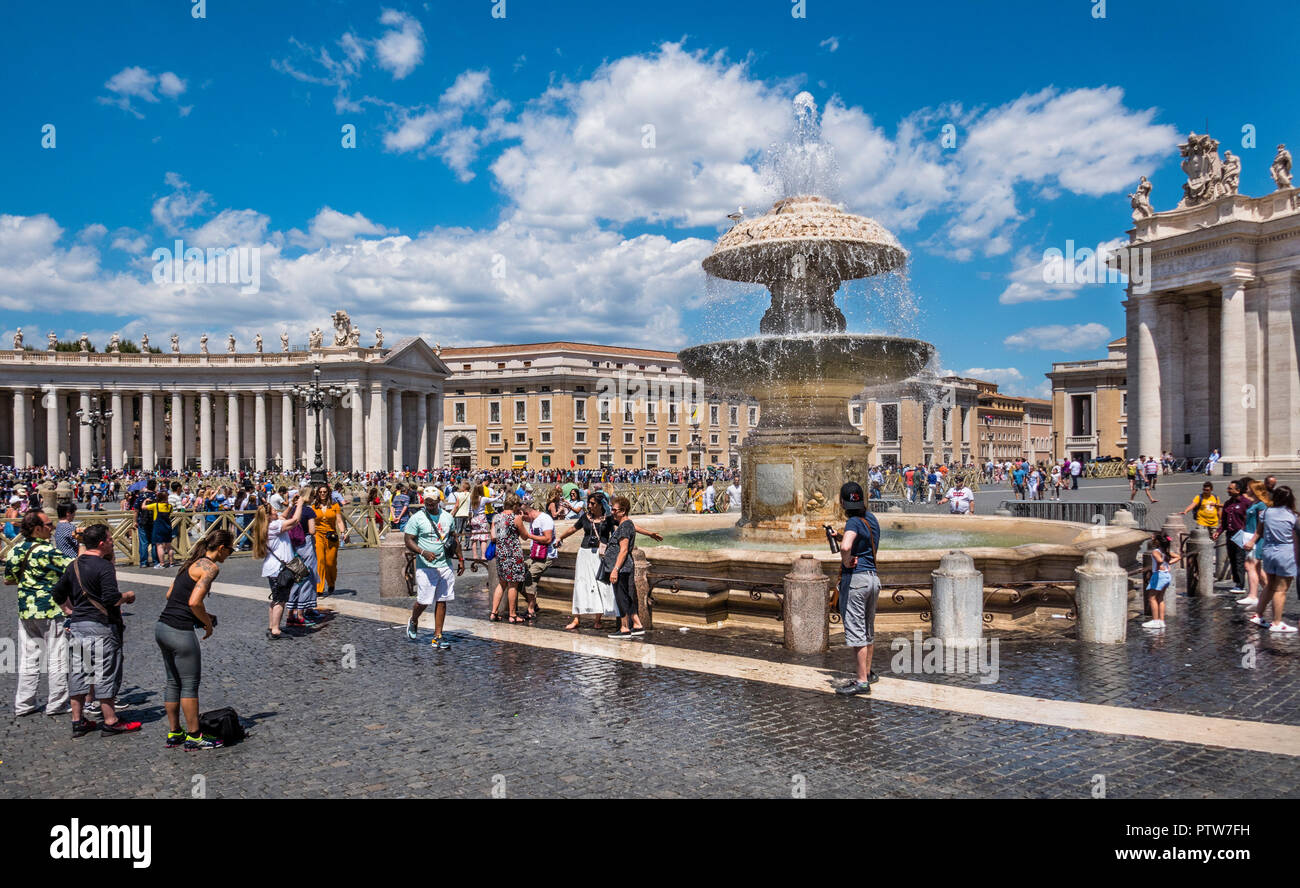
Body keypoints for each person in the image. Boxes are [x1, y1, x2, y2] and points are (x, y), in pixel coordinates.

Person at [51, 523, 141, 736]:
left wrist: (68, 611)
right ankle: (111, 720)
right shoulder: (104, 567)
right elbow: (111, 599)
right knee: (105, 672)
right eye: (110, 540)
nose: (112, 542)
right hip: (100, 627)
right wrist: (128, 597)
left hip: (78, 627)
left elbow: (56, 592)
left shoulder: (73, 565)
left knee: (79, 672)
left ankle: (77, 720)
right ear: (102, 543)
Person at [156, 529, 232, 750]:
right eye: (230, 549)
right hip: (180, 631)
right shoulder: (210, 567)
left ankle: (174, 732)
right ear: (221, 548)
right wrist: (207, 623)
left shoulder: (190, 563)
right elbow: (194, 602)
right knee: (189, 685)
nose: (229, 554)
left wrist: (204, 615)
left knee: (172, 682)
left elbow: (170, 595)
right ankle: (194, 736)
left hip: (162, 627)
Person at [4, 510, 71, 717]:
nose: (51, 528)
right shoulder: (48, 551)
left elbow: (8, 579)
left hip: (26, 609)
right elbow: (74, 570)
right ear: (37, 528)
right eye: (48, 525)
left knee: (28, 658)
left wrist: (29, 582)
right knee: (57, 656)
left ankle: (24, 704)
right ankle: (57, 703)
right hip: (51, 609)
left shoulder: (15, 550)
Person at [832, 482, 882, 696]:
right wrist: (839, 536)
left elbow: (846, 546)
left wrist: (845, 560)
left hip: (857, 582)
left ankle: (861, 681)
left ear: (842, 502)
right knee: (868, 629)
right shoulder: (870, 519)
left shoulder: (852, 521)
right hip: (872, 579)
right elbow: (859, 541)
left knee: (856, 631)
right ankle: (868, 672)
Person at [404, 492, 464, 649]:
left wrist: (461, 559)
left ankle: (438, 635)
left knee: (442, 600)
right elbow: (408, 539)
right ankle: (414, 619)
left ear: (439, 501)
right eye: (427, 502)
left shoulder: (448, 517)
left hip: (445, 564)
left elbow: (454, 539)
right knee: (424, 600)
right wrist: (422, 552)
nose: (430, 505)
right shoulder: (417, 518)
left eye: (433, 503)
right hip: (425, 566)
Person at [557, 494, 617, 630]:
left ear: (601, 505)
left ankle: (598, 620)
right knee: (581, 584)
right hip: (584, 553)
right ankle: (576, 618)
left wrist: (648, 534)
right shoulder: (585, 517)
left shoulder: (608, 519)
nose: (589, 506)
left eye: (592, 503)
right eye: (589, 503)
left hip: (600, 555)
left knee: (600, 585)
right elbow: (573, 528)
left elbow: (622, 528)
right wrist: (560, 537)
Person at [1246, 485, 1299, 633]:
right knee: (1281, 589)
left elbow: (1259, 531)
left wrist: (1251, 542)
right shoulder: (1293, 516)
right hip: (1286, 553)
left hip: (1268, 551)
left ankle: (1258, 615)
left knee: (1269, 585)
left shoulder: (1267, 512)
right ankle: (1276, 622)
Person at [252, 496, 304, 640]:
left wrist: (291, 506)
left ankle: (272, 626)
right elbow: (294, 521)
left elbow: (283, 516)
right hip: (279, 568)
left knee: (276, 598)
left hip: (273, 568)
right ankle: (275, 630)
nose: (277, 511)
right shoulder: (273, 527)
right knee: (281, 600)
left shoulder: (268, 525)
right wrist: (299, 505)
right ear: (268, 516)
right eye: (274, 510)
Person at [604, 496, 645, 639]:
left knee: (621, 597)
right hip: (624, 567)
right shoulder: (626, 524)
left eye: (614, 510)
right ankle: (637, 624)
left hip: (621, 568)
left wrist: (615, 569)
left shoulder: (624, 526)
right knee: (626, 596)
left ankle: (624, 627)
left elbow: (623, 549)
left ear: (622, 511)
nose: (612, 512)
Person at [491, 493, 528, 623]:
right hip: (513, 553)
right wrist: (521, 520)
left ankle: (494, 612)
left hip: (500, 553)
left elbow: (493, 537)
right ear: (515, 505)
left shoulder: (496, 517)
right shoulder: (516, 518)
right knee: (513, 584)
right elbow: (525, 536)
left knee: (502, 583)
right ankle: (512, 615)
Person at [1237, 481, 1270, 610]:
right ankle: (1269, 590)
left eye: (1249, 488)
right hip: (1249, 537)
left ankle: (1253, 595)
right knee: (1256, 567)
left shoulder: (1261, 505)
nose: (1247, 489)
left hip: (1255, 539)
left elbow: (1261, 525)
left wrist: (1252, 540)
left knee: (1250, 565)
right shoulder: (1254, 503)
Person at [313, 484, 347, 598]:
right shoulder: (314, 506)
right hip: (318, 535)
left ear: (328, 493)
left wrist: (343, 532)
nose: (322, 494)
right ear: (317, 493)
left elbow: (339, 520)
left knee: (330, 562)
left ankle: (331, 582)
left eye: (325, 492)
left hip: (331, 535)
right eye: (320, 492)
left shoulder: (334, 505)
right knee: (320, 561)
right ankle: (319, 588)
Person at [1142, 531, 1179, 630]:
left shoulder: (1156, 551)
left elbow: (1159, 560)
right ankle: (1161, 621)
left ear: (1157, 541)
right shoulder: (1165, 551)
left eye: (1153, 538)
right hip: (1166, 575)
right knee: (1160, 598)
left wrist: (1159, 566)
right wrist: (1168, 564)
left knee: (1152, 598)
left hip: (1159, 575)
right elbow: (1178, 557)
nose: (1152, 539)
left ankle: (1155, 621)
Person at [1220, 480, 1252, 594]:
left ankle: (1241, 584)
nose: (1228, 490)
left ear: (1238, 490)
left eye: (1230, 489)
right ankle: (1237, 581)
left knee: (1239, 559)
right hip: (1230, 534)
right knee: (1232, 558)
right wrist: (1219, 532)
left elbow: (1251, 518)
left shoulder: (1246, 503)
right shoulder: (1228, 503)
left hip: (1241, 534)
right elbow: (1223, 520)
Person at [146, 487, 176, 568]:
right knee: (169, 546)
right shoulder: (170, 506)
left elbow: (143, 507)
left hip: (159, 527)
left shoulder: (156, 505)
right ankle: (171, 562)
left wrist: (145, 501)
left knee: (159, 546)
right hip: (168, 527)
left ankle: (162, 563)